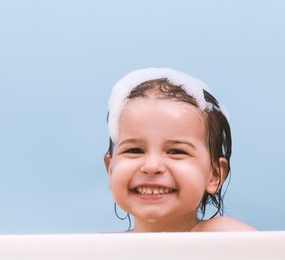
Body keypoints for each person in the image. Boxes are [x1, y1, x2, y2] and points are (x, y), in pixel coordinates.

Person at [104, 68, 255, 232]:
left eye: (176, 152)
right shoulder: (102, 249)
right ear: (111, 170)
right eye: (135, 150)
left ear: (214, 175)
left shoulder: (224, 236)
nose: (151, 166)